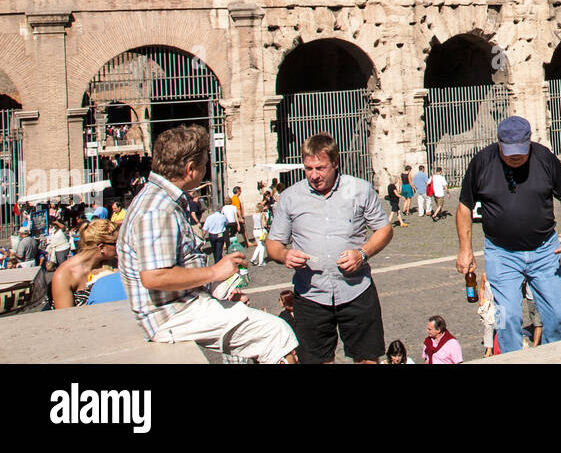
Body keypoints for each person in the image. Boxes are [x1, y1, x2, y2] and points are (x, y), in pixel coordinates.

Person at [116, 124, 298, 362]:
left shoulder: (159, 199)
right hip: (173, 315)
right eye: (204, 164)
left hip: (182, 306)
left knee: (263, 329)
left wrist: (218, 290)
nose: (205, 170)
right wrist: (214, 272)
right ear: (191, 169)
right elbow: (155, 277)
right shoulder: (157, 209)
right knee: (275, 333)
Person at [456, 116, 561, 354]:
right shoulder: (482, 162)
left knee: (558, 312)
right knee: (507, 316)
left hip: (544, 249)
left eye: (521, 151)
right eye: (509, 150)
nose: (515, 156)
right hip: (501, 253)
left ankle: (553, 355)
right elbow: (464, 207)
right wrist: (465, 249)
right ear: (499, 143)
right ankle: (511, 357)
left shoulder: (544, 158)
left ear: (529, 142)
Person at [266, 133, 393, 364]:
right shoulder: (290, 197)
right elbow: (273, 243)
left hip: (356, 290)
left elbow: (384, 229)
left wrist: (362, 254)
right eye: (308, 168)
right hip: (310, 294)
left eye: (320, 168)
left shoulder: (360, 190)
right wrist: (284, 254)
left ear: (335, 163)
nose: (314, 175)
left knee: (367, 359)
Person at [49, 220, 118, 309]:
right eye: (116, 243)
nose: (121, 246)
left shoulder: (115, 263)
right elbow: (65, 318)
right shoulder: (64, 275)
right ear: (101, 247)